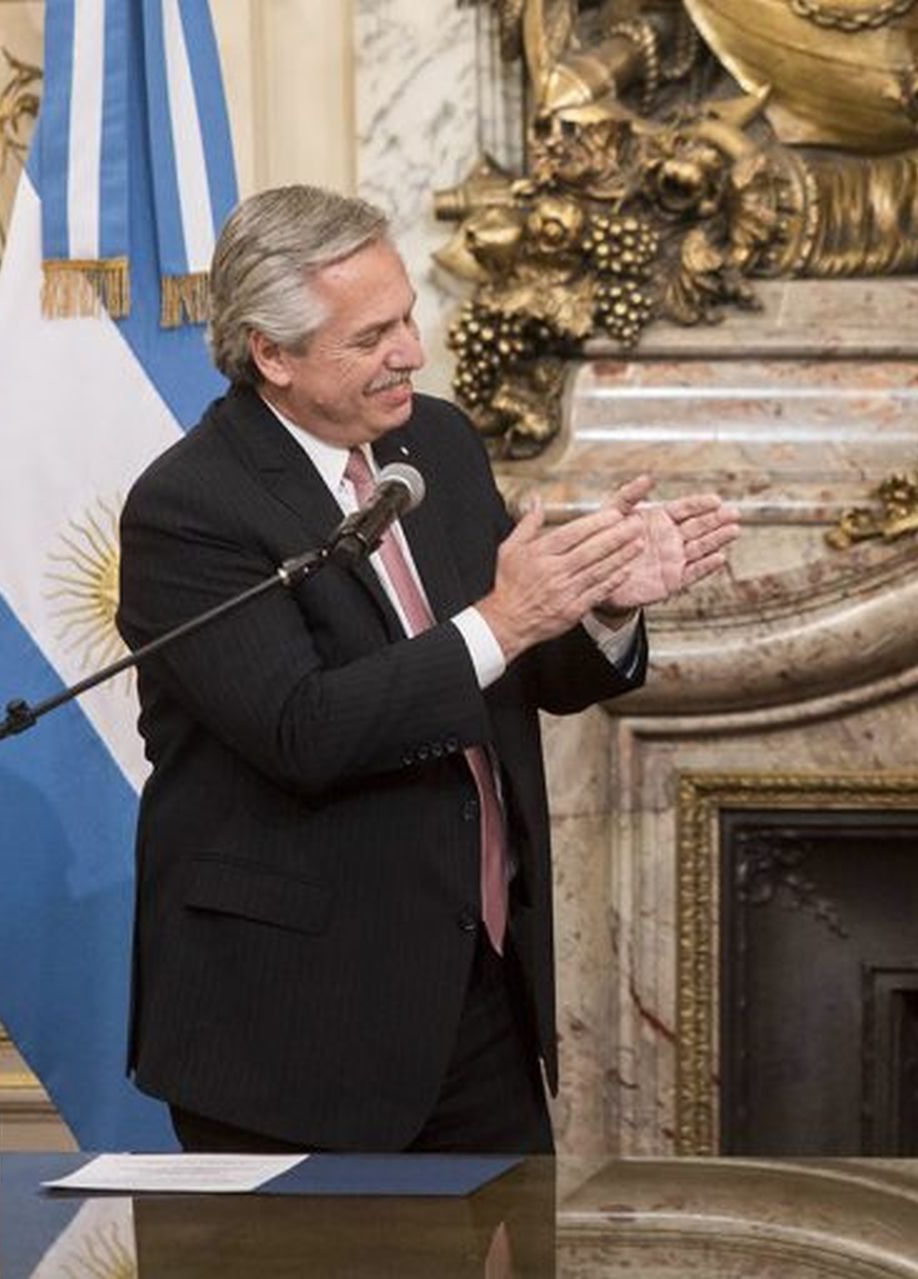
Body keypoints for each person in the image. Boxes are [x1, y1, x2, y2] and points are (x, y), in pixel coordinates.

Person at [116, 185, 739, 1152]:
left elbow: (517, 668)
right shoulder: (190, 507)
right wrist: (506, 616)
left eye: (407, 318)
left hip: (479, 993)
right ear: (272, 354)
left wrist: (604, 603)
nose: (411, 351)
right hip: (297, 1028)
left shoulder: (436, 440)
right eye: (372, 336)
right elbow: (304, 730)